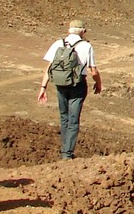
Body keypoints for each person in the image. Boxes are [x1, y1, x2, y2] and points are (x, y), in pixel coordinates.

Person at [38, 19, 101, 160]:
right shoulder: (86, 46)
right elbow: (94, 71)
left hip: (60, 84)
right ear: (83, 32)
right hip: (78, 85)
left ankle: (64, 150)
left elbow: (49, 68)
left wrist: (43, 87)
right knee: (73, 119)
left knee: (64, 117)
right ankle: (67, 153)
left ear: (69, 31)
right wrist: (98, 84)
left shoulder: (58, 44)